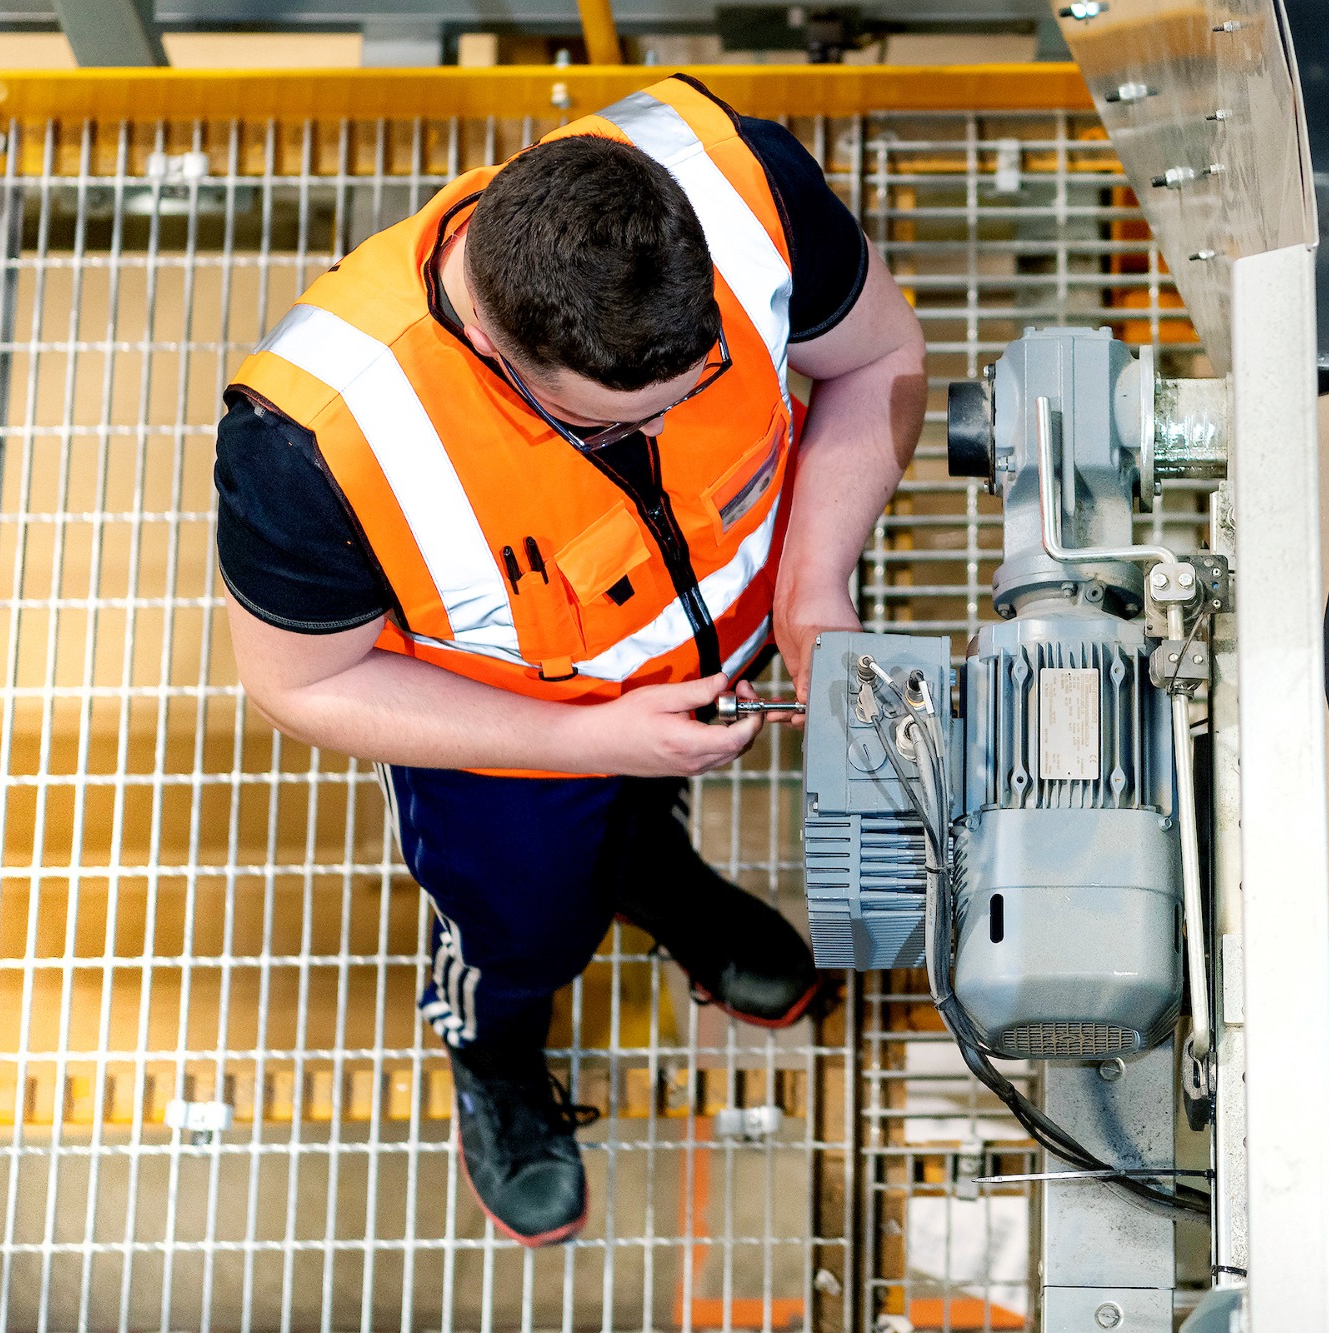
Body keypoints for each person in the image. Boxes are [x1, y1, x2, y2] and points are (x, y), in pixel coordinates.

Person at [215, 74, 925, 1247]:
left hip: (718, 654)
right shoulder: (314, 446)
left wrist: (809, 587)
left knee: (640, 812)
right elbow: (302, 682)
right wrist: (579, 741)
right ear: (493, 345)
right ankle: (494, 1063)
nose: (654, 437)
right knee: (521, 933)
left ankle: (656, 879)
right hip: (502, 753)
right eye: (606, 426)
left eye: (689, 390)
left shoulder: (737, 184)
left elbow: (872, 355)